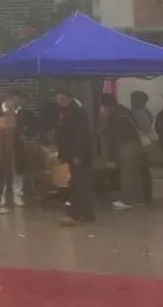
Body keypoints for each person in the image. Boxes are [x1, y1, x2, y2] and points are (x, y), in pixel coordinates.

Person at [55, 89, 95, 226]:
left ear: (69, 98)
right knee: (78, 184)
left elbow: (81, 135)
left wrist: (78, 154)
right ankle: (86, 214)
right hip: (72, 154)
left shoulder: (78, 112)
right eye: (58, 100)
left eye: (62, 99)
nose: (59, 102)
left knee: (78, 185)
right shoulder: (68, 112)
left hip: (78, 155)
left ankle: (77, 214)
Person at [100, 94, 142, 210]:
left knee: (127, 175)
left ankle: (127, 201)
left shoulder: (117, 116)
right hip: (136, 145)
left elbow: (114, 133)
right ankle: (138, 199)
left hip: (127, 146)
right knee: (135, 174)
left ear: (107, 106)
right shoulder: (124, 111)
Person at [130, 91, 155, 204]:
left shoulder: (138, 112)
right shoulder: (145, 111)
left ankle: (145, 196)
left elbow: (142, 128)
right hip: (146, 143)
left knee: (142, 171)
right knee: (144, 170)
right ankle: (146, 196)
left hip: (141, 144)